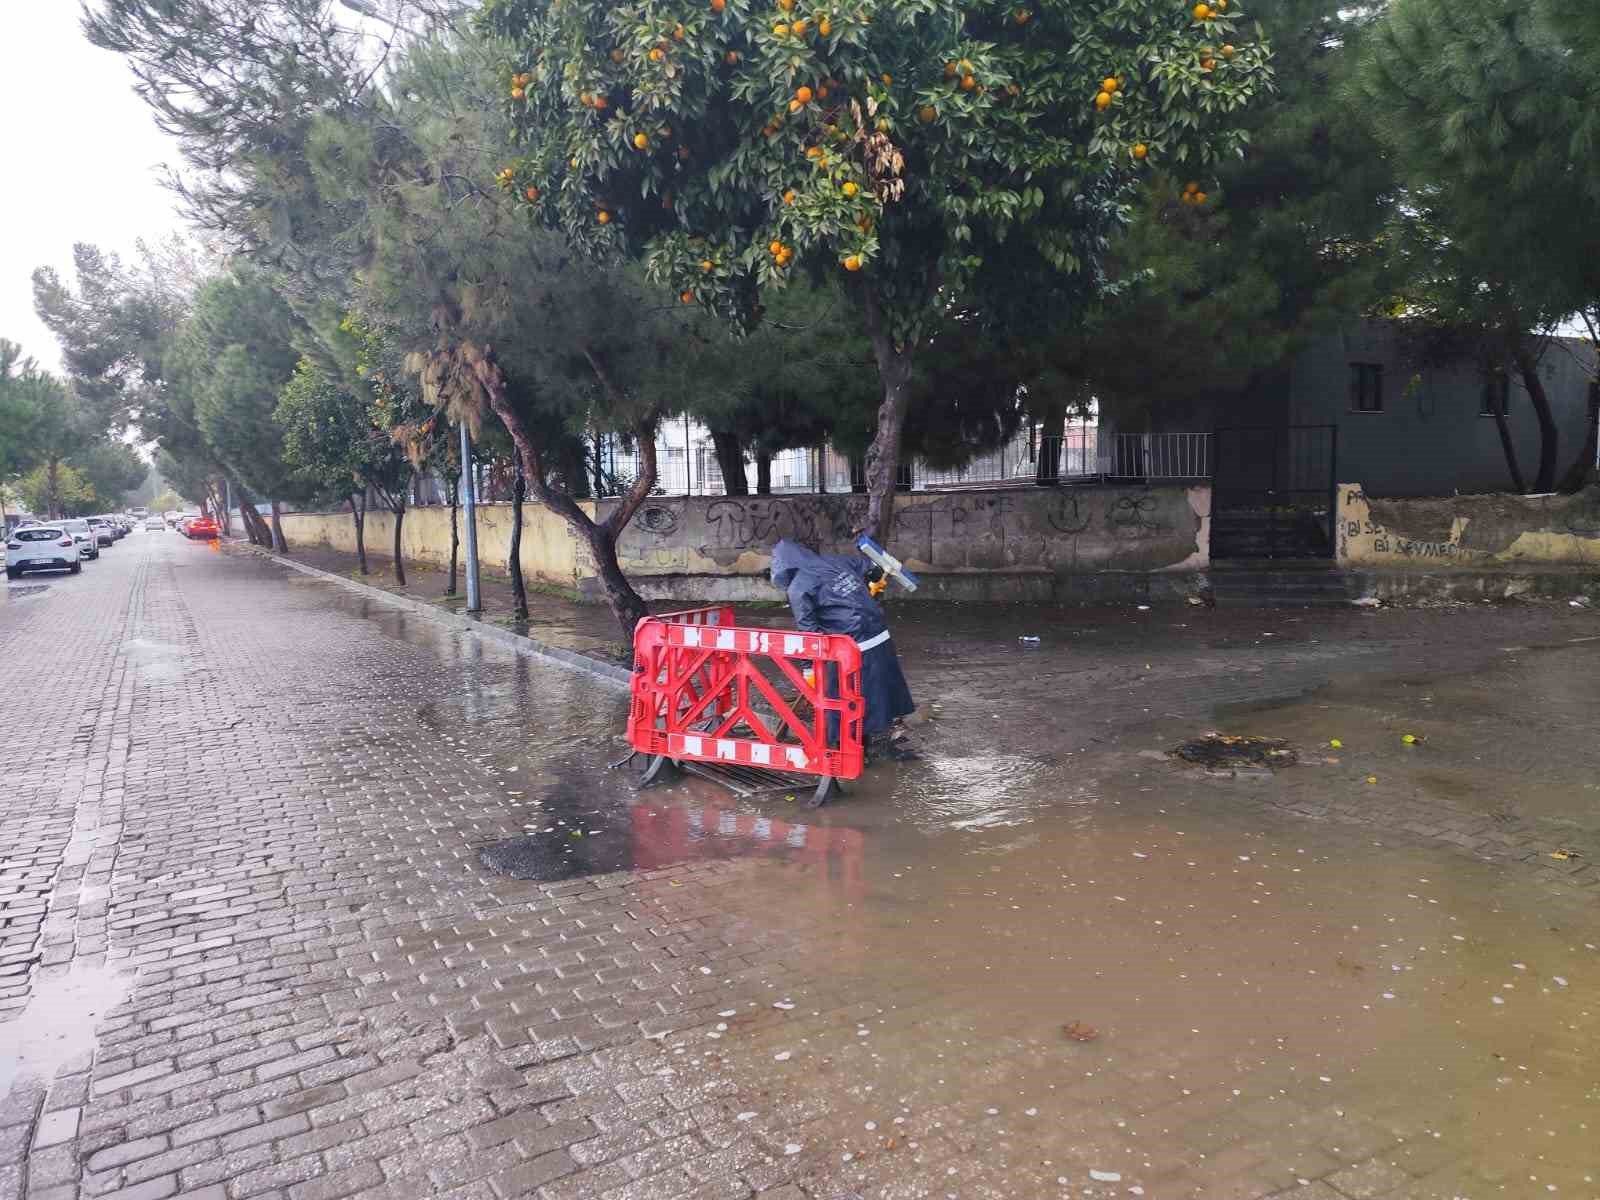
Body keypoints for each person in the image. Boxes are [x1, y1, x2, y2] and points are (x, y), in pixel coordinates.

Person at [769, 538, 918, 762]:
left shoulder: (799, 587)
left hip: (850, 647)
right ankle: (876, 746)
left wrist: (809, 670)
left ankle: (851, 751)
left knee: (844, 698)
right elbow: (871, 568)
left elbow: (809, 632)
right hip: (877, 633)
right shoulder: (837, 561)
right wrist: (873, 583)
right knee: (880, 693)